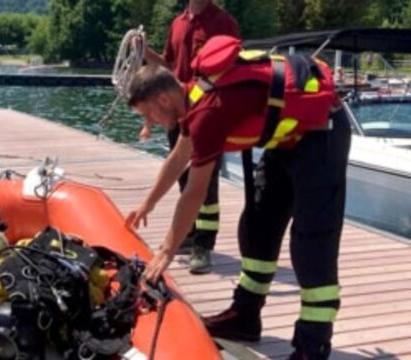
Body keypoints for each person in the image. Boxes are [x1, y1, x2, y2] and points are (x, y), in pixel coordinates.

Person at [126, 36, 350, 359]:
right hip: (286, 141)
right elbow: (177, 159)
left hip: (322, 134)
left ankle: (312, 344)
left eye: (147, 115)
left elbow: (194, 192)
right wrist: (146, 203)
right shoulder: (193, 96)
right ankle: (245, 316)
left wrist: (165, 251)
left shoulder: (207, 112)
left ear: (162, 99)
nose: (148, 124)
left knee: (311, 244)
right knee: (258, 225)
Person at [140, 0, 239, 274]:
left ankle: (203, 245)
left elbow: (232, 67)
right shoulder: (178, 23)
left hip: (208, 111)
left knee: (206, 183)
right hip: (178, 108)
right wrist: (144, 51)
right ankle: (189, 233)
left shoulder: (223, 22)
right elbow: (167, 66)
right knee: (183, 177)